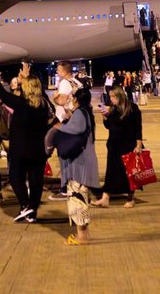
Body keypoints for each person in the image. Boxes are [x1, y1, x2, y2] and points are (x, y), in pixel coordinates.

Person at [0, 64, 51, 222]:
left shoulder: (20, 103)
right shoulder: (43, 105)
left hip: (20, 150)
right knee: (36, 180)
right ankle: (32, 213)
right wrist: (27, 76)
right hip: (39, 150)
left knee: (16, 177)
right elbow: (41, 92)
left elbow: (3, 95)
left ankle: (25, 205)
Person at [53, 87, 99, 245]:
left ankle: (81, 236)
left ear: (77, 100)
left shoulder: (80, 113)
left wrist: (59, 126)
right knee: (82, 197)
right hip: (85, 162)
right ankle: (84, 234)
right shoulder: (87, 113)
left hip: (79, 163)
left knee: (76, 198)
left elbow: (74, 129)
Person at [92, 85, 143, 209]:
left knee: (130, 173)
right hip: (114, 145)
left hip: (128, 144)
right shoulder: (113, 109)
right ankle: (105, 197)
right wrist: (104, 117)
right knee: (111, 171)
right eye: (110, 97)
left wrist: (138, 144)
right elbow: (109, 126)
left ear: (119, 96)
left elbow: (138, 127)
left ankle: (130, 198)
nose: (111, 99)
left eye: (113, 97)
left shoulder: (132, 108)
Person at [48, 61, 83, 201]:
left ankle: (66, 189)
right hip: (76, 122)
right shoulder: (76, 82)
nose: (56, 71)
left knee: (64, 157)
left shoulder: (63, 83)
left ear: (64, 71)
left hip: (65, 122)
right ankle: (75, 185)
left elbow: (61, 100)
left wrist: (55, 96)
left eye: (58, 69)